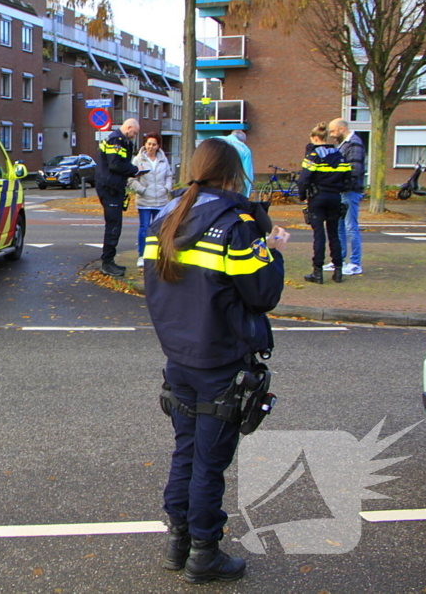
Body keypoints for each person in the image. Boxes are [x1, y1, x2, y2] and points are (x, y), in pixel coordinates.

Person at [142, 138, 289, 584]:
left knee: (186, 451)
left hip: (180, 358)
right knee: (210, 460)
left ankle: (178, 541)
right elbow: (263, 295)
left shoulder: (167, 216)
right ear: (232, 175)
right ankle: (204, 554)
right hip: (222, 361)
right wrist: (275, 250)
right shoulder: (235, 224)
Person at [298, 123, 352, 284]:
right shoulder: (339, 155)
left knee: (319, 236)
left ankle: (318, 272)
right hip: (335, 198)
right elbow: (348, 180)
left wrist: (303, 196)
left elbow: (303, 179)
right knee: (334, 234)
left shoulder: (313, 155)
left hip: (317, 198)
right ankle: (338, 271)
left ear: (315, 138)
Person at [95, 117, 140, 276]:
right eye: (134, 132)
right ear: (128, 128)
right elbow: (115, 164)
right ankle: (107, 263)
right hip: (110, 188)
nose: (134, 136)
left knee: (114, 225)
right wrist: (134, 169)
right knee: (113, 226)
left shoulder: (118, 139)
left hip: (112, 187)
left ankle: (109, 261)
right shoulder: (116, 140)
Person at [129, 132, 174, 267]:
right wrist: (142, 190)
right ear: (145, 144)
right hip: (144, 201)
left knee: (159, 229)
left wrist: (166, 188)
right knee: (144, 228)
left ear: (158, 146)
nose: (151, 147)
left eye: (154, 144)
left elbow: (169, 175)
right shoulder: (138, 160)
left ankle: (157, 254)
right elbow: (131, 179)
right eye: (149, 143)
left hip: (161, 201)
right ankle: (142, 255)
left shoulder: (163, 159)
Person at [327, 118, 365, 275]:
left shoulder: (354, 143)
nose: (331, 135)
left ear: (342, 129)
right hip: (342, 192)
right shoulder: (344, 144)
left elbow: (354, 170)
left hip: (350, 191)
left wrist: (342, 185)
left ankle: (355, 263)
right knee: (340, 227)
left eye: (333, 131)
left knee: (351, 227)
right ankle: (339, 260)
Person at [218, 129, 254, 198]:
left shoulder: (214, 139)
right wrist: (245, 196)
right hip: (228, 183)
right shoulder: (244, 149)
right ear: (243, 141)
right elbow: (248, 175)